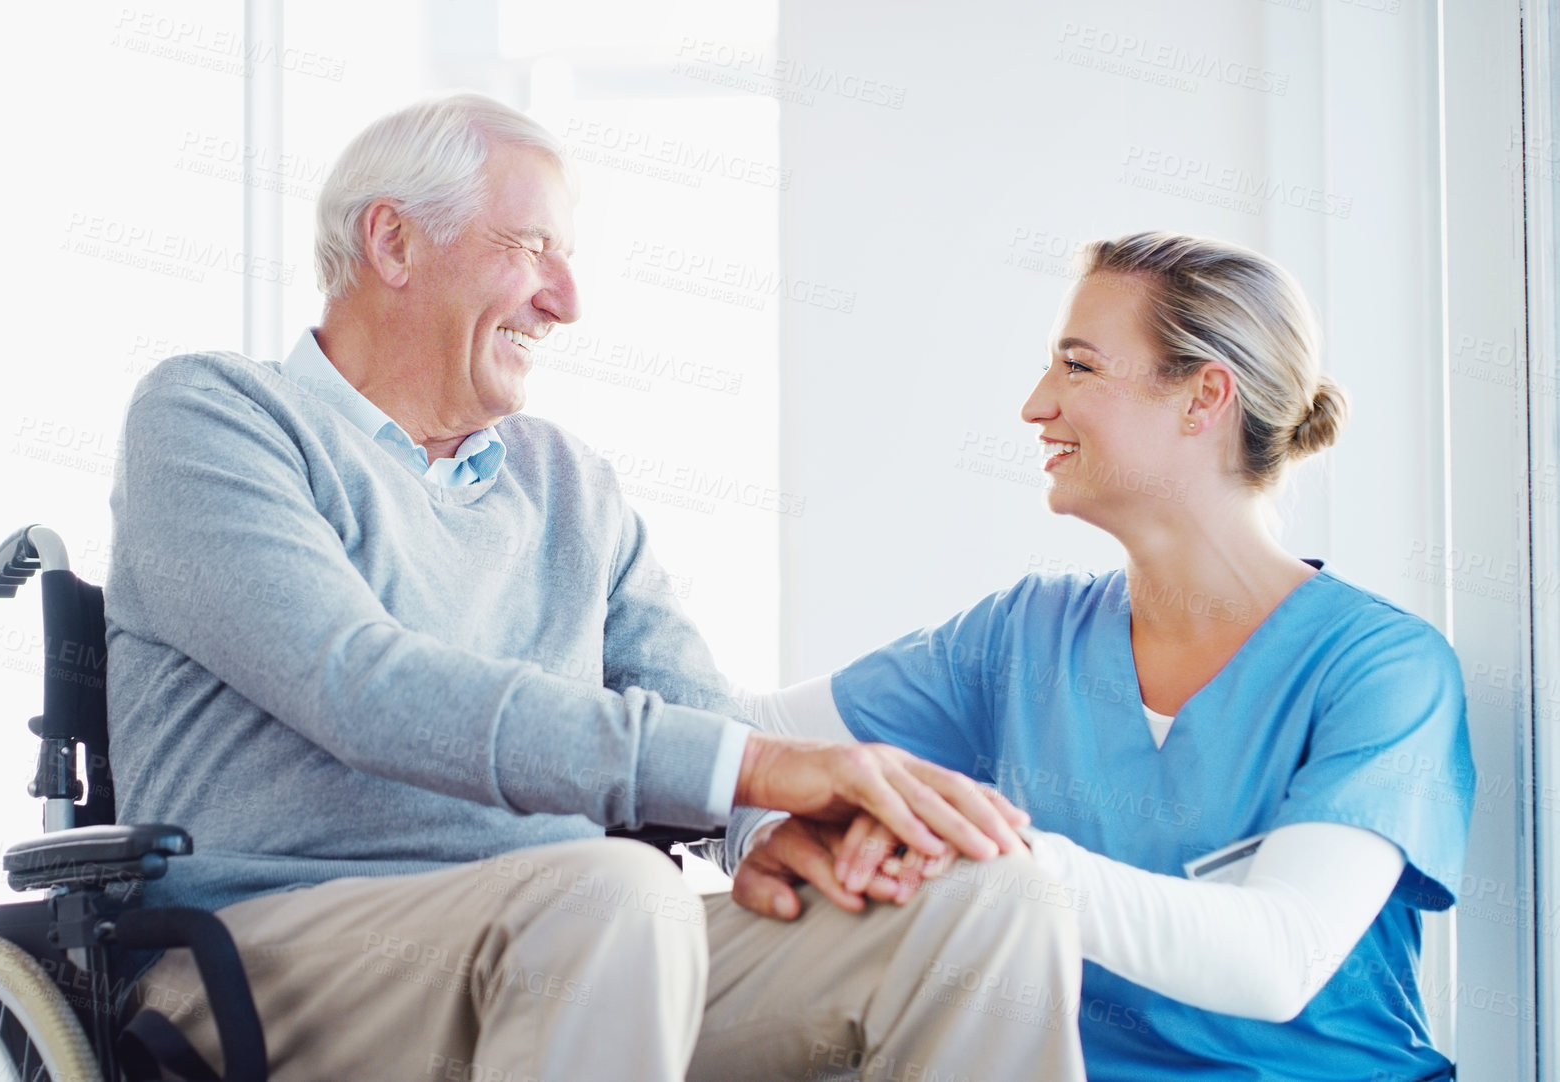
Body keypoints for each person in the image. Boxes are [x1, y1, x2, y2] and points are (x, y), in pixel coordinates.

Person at [104, 92, 1088, 1081]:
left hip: (587, 941)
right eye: (532, 247)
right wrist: (750, 767)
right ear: (393, 242)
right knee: (618, 893)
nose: (565, 300)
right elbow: (362, 685)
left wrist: (765, 830)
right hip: (270, 958)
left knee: (992, 904)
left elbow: (686, 699)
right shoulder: (214, 417)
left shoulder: (564, 482)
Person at [745, 232, 1475, 1082]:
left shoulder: (1382, 670)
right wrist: (769, 828)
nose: (1033, 406)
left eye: (1077, 368)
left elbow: (1280, 957)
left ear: (1202, 397)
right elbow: (738, 739)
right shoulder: (1021, 636)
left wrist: (998, 866)